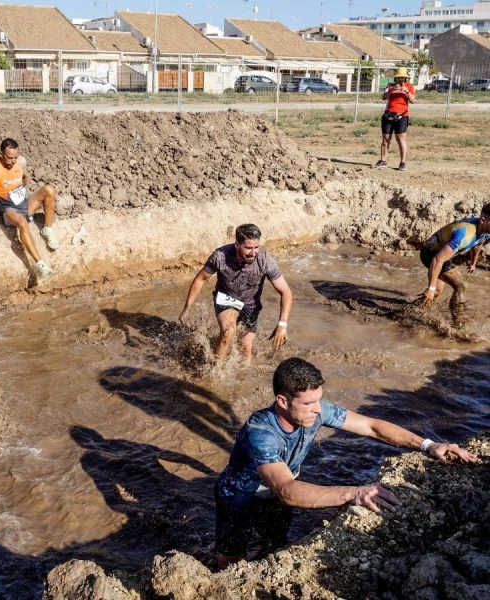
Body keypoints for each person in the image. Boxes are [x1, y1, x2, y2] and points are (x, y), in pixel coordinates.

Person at [215, 357, 476, 569]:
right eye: (308, 403)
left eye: (319, 399)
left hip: (275, 497)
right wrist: (355, 492)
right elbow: (287, 492)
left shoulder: (315, 410)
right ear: (282, 401)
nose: (318, 409)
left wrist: (428, 445)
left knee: (276, 546)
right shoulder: (261, 432)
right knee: (231, 563)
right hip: (239, 498)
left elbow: (372, 427)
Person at [179, 224, 292, 364]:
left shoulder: (265, 260)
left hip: (250, 305)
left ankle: (242, 380)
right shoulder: (220, 256)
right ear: (237, 244)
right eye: (248, 248)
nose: (253, 252)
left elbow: (285, 292)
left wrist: (282, 324)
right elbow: (201, 278)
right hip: (227, 298)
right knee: (228, 331)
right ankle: (216, 370)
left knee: (245, 349)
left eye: (256, 247)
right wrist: (187, 308)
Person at [0, 138, 59, 278]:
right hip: (10, 209)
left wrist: (21, 186)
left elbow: (25, 177)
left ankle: (47, 229)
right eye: (9, 158)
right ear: (1, 153)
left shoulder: (20, 162)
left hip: (24, 203)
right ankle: (39, 264)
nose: (13, 161)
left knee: (49, 190)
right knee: (22, 222)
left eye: (15, 157)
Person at [419, 202, 490, 326]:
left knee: (437, 292)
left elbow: (479, 243)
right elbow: (437, 260)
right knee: (461, 285)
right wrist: (430, 287)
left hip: (443, 254)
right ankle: (458, 324)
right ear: (483, 220)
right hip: (430, 254)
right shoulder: (464, 235)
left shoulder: (484, 229)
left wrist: (473, 262)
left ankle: (416, 311)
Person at [375, 66, 416, 172]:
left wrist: (406, 91)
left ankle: (402, 162)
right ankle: (383, 160)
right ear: (395, 78)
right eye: (399, 77)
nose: (401, 79)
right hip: (388, 115)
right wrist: (392, 90)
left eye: (403, 77)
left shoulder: (409, 86)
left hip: (402, 115)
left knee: (401, 139)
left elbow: (413, 101)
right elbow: (384, 97)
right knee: (385, 139)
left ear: (406, 78)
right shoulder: (390, 86)